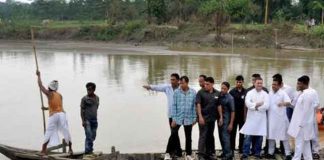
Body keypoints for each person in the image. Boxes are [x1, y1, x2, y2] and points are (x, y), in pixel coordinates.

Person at [143, 73, 181, 158]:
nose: (171, 81)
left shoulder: (181, 88)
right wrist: (149, 87)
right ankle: (178, 151)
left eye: (173, 80)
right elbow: (158, 87)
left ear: (178, 80)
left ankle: (168, 152)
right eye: (171, 79)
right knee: (174, 133)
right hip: (171, 114)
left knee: (174, 132)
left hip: (179, 115)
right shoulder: (167, 88)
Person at [36, 70, 73, 155]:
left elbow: (40, 85)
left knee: (49, 131)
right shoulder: (59, 95)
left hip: (54, 115)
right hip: (62, 114)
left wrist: (38, 75)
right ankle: (70, 149)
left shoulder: (49, 94)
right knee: (66, 131)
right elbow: (56, 106)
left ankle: (43, 150)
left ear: (49, 87)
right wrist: (46, 108)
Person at [167, 76, 196, 160]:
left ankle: (188, 155)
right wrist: (173, 119)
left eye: (182, 83)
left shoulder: (193, 92)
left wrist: (194, 118)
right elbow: (174, 106)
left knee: (188, 137)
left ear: (187, 83)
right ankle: (167, 153)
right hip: (178, 118)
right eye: (180, 83)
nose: (180, 85)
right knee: (173, 135)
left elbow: (194, 106)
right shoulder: (176, 92)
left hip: (189, 118)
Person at [240, 77, 269, 159]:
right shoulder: (249, 93)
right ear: (254, 83)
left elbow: (267, 106)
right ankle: (245, 153)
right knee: (248, 137)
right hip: (251, 119)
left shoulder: (265, 94)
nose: (260, 84)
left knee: (259, 137)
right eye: (258, 83)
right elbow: (247, 103)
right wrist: (256, 105)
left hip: (261, 120)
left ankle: (257, 153)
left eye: (261, 83)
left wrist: (255, 106)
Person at [288, 75, 316, 160]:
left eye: (299, 84)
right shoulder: (303, 93)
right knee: (306, 146)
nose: (297, 85)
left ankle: (296, 159)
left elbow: (307, 111)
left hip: (302, 125)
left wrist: (301, 124)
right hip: (302, 125)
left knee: (299, 145)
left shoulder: (307, 95)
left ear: (304, 84)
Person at [265, 77, 292, 160]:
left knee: (284, 137)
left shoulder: (283, 93)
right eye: (272, 84)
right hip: (271, 119)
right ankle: (270, 152)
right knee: (271, 136)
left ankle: (288, 153)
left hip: (281, 119)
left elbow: (289, 102)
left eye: (275, 84)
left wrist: (283, 103)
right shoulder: (269, 93)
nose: (273, 86)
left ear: (279, 85)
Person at [196, 77, 222, 160]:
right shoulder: (200, 93)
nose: (205, 85)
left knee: (210, 136)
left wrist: (221, 117)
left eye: (207, 84)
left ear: (212, 84)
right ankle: (200, 155)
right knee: (203, 136)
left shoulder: (217, 93)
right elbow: (198, 105)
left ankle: (210, 153)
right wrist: (200, 117)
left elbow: (219, 105)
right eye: (205, 84)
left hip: (212, 119)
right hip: (203, 118)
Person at [81, 82, 99, 156]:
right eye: (87, 89)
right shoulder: (84, 99)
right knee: (89, 135)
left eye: (90, 89)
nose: (88, 91)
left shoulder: (97, 98)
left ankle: (87, 150)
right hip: (87, 120)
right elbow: (82, 110)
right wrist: (83, 120)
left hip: (94, 120)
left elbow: (96, 107)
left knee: (93, 136)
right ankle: (89, 151)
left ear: (94, 90)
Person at [218, 82, 235, 160]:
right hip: (220, 120)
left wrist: (231, 124)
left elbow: (233, 111)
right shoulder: (220, 95)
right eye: (222, 88)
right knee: (221, 136)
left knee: (226, 137)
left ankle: (228, 154)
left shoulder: (230, 98)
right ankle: (224, 152)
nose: (222, 90)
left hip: (227, 120)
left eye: (224, 88)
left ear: (228, 89)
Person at [229, 75, 246, 153]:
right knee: (233, 133)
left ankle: (241, 148)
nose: (239, 83)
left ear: (243, 82)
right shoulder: (232, 92)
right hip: (234, 116)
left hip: (243, 116)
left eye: (240, 82)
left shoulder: (246, 92)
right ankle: (232, 148)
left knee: (242, 133)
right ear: (235, 82)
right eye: (237, 82)